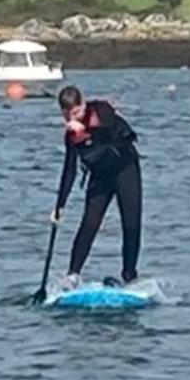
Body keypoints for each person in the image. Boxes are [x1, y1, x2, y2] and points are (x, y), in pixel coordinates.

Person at [50, 85, 142, 290]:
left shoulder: (101, 110)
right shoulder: (71, 135)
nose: (73, 118)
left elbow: (108, 135)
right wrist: (60, 206)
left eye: (76, 112)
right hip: (101, 176)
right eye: (68, 115)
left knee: (131, 224)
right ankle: (72, 275)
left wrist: (85, 131)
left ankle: (130, 275)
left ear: (82, 104)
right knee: (89, 223)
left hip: (125, 168)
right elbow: (70, 170)